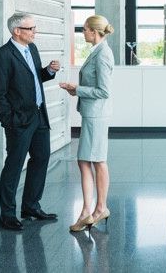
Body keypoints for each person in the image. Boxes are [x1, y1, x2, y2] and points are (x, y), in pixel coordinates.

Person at [0, 12, 60, 231]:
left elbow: (33, 78)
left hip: (39, 115)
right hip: (18, 120)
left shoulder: (32, 49)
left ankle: (31, 206)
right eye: (31, 29)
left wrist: (47, 71)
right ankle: (8, 214)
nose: (35, 32)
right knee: (14, 165)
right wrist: (8, 121)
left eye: (34, 28)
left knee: (41, 158)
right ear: (17, 31)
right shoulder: (2, 55)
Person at [59, 15, 114, 232]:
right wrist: (77, 90)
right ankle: (98, 209)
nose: (83, 33)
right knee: (95, 161)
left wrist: (77, 89)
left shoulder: (102, 55)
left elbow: (103, 90)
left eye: (85, 30)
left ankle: (90, 211)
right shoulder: (99, 51)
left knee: (88, 161)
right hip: (94, 115)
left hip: (95, 116)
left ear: (94, 31)